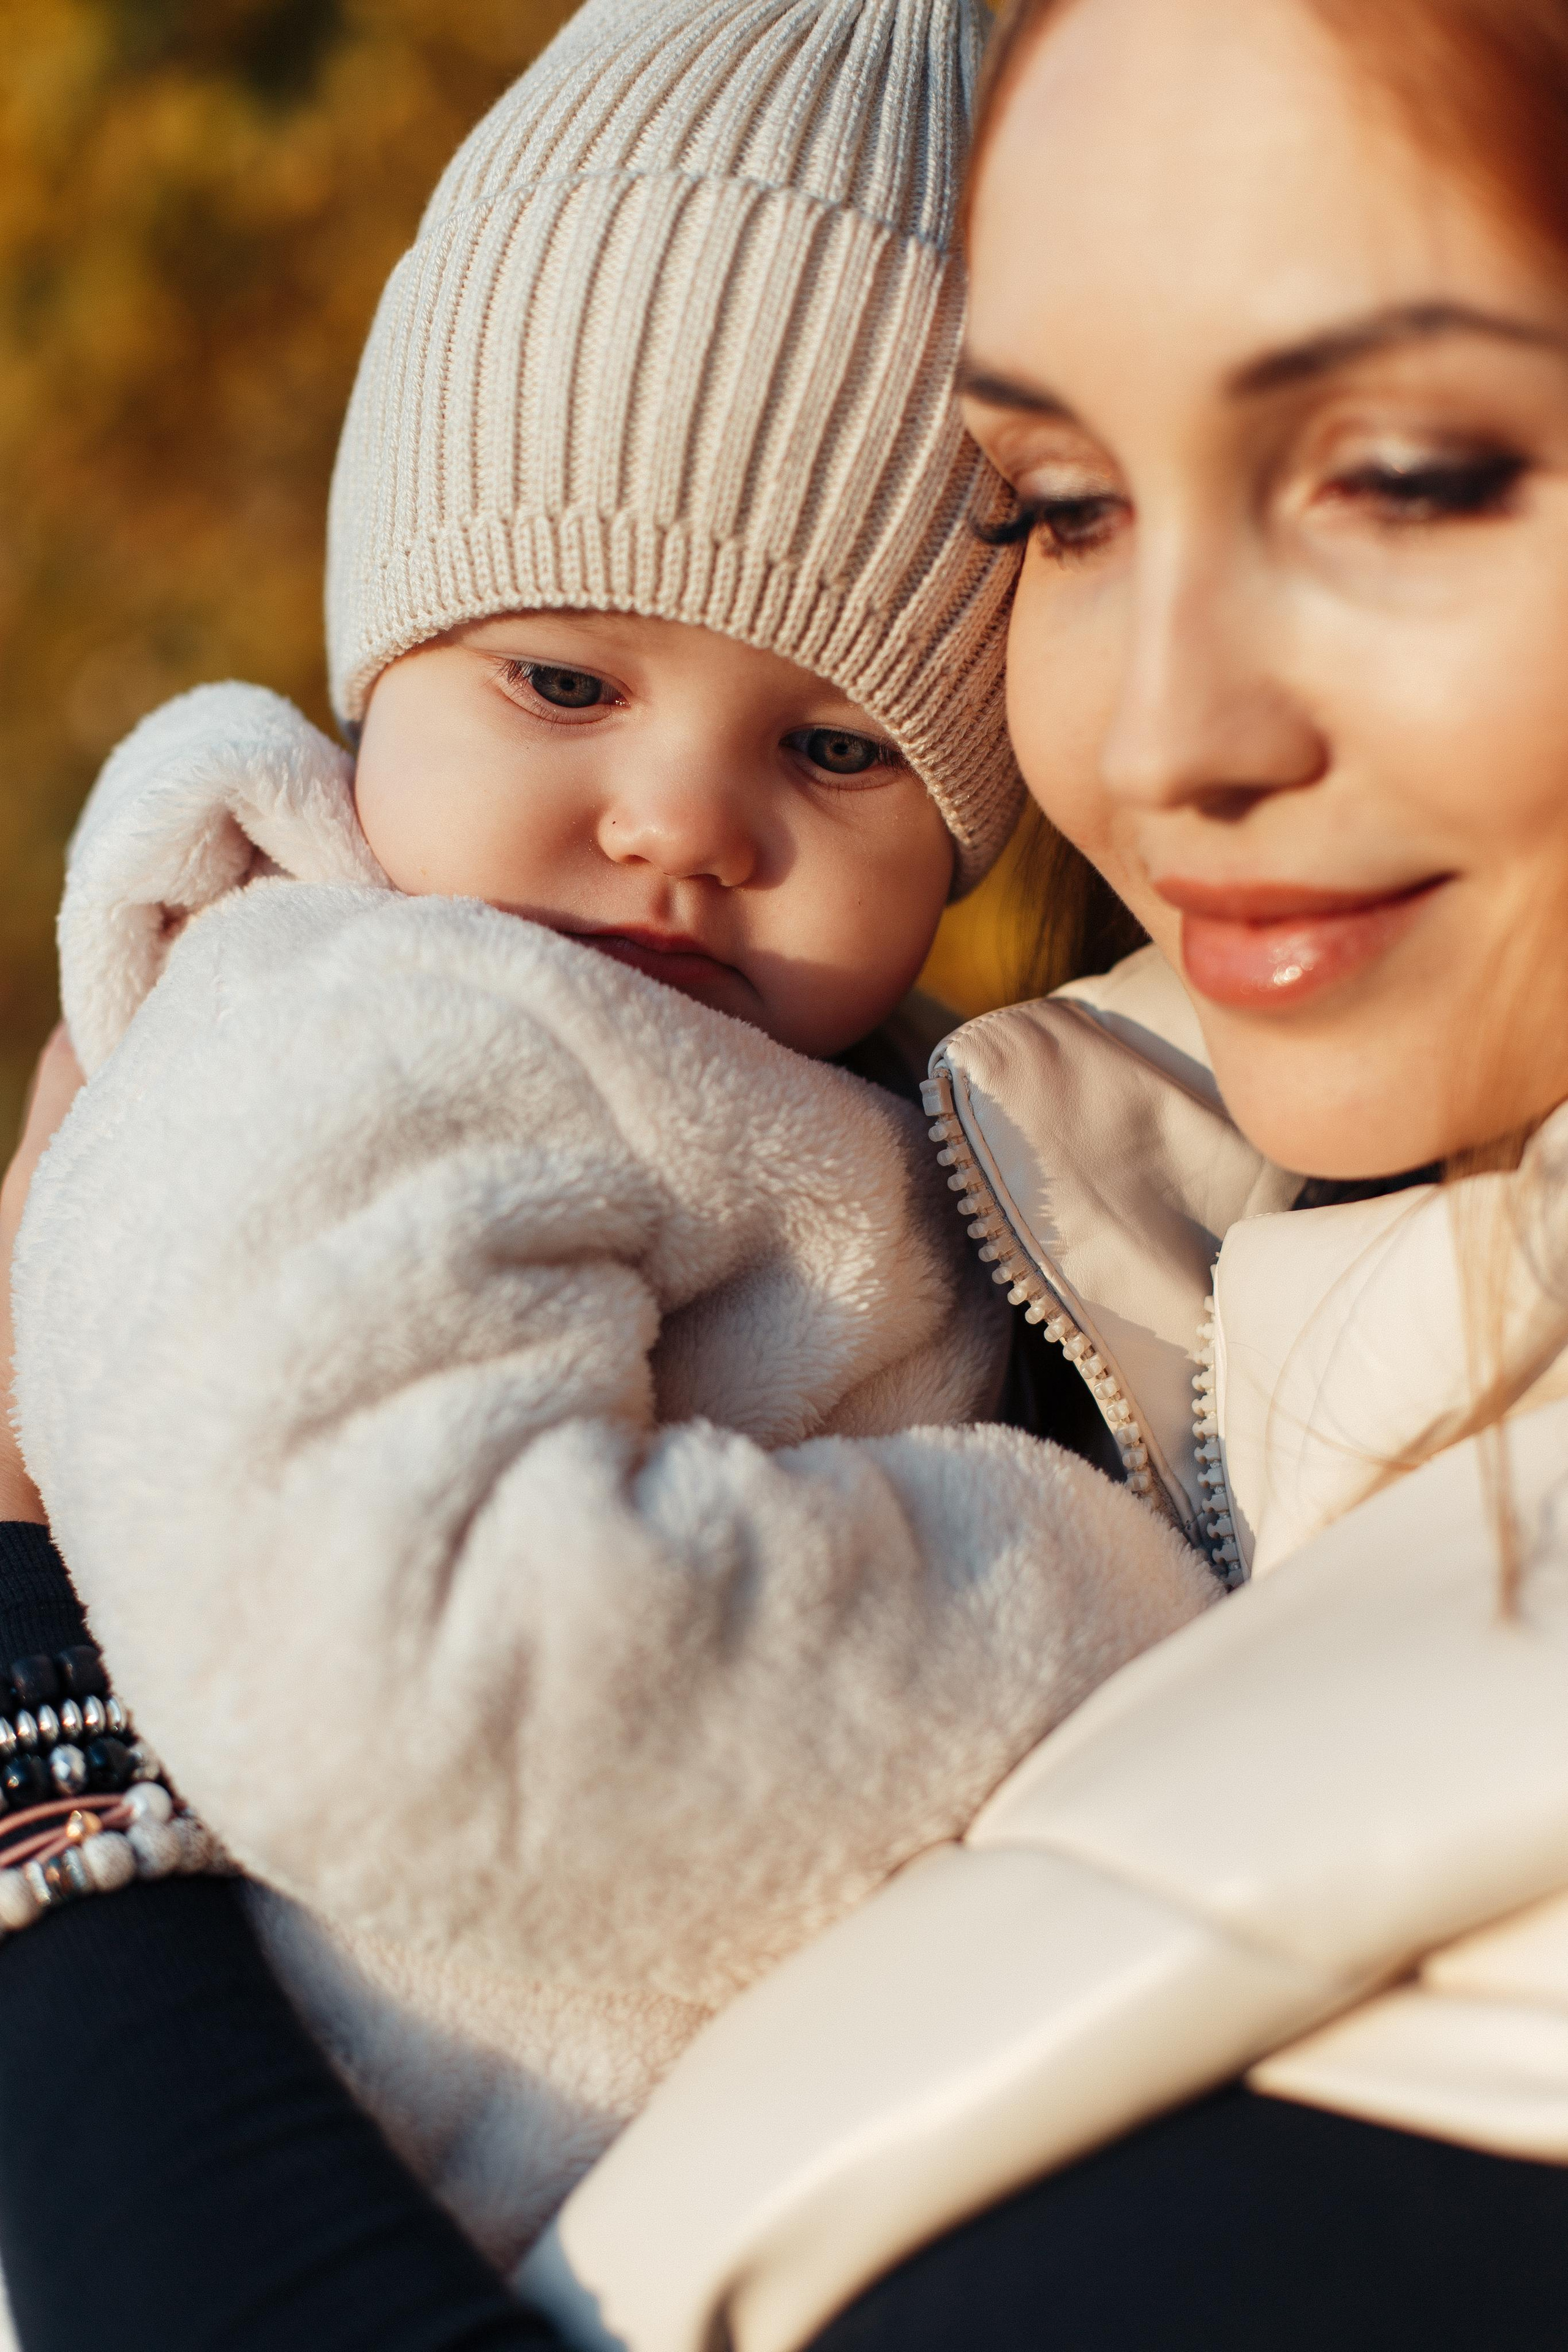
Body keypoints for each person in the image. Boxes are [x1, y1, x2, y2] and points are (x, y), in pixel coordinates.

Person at [6, 0, 1568, 2346]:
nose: (1161, 731)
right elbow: (438, 1657)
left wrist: (38, 1709)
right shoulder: (379, 1043)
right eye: (1065, 508)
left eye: (1410, 473)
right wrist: (1093, 1589)